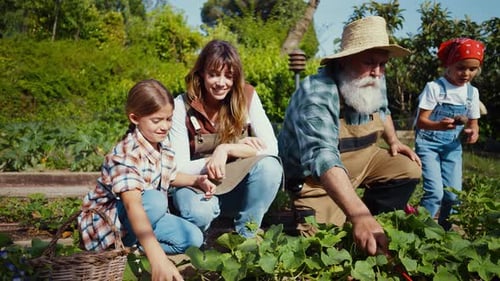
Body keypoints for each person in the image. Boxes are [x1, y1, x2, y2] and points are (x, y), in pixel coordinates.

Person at [278, 16, 422, 255]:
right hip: (317, 183)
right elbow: (322, 155)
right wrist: (359, 215)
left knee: (408, 167)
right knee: (325, 248)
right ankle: (357, 216)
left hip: (361, 165)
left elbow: (383, 111)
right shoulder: (317, 92)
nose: (377, 72)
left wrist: (394, 141)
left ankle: (374, 222)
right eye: (369, 62)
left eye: (383, 64)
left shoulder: (374, 78)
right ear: (344, 60)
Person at [78, 79, 216, 281]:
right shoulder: (125, 154)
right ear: (135, 118)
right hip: (111, 221)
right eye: (157, 120)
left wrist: (196, 181)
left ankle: (135, 246)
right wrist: (158, 258)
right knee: (155, 200)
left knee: (193, 238)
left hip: (145, 216)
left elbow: (167, 175)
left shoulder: (162, 145)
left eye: (169, 119)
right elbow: (133, 204)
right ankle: (130, 247)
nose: (164, 126)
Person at [169, 39, 283, 239]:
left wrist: (226, 150)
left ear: (235, 77)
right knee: (199, 213)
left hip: (236, 185)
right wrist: (214, 160)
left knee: (270, 168)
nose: (221, 83)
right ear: (202, 73)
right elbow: (178, 168)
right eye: (213, 74)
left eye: (228, 76)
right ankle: (197, 240)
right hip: (195, 184)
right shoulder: (181, 105)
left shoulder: (247, 95)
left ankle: (246, 236)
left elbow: (272, 148)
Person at [415, 38, 484, 230]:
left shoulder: (472, 93)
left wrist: (472, 132)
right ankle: (419, 228)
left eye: (473, 69)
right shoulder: (435, 88)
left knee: (453, 195)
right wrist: (438, 126)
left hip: (452, 147)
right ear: (449, 65)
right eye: (461, 67)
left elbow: (473, 123)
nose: (467, 74)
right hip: (428, 145)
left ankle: (444, 232)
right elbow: (421, 122)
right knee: (435, 193)